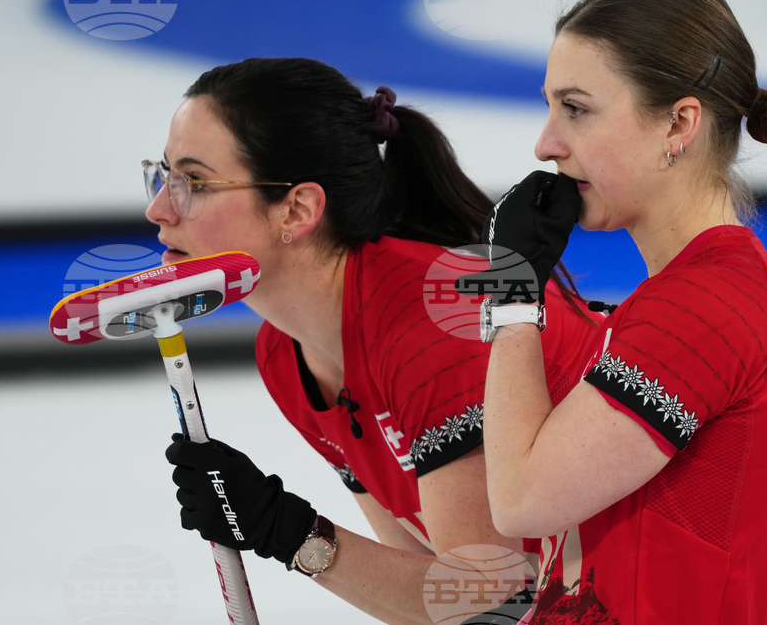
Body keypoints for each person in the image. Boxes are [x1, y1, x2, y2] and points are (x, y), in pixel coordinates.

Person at [147, 57, 600, 623]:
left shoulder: (434, 320)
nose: (158, 209)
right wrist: (286, 530)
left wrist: (287, 531)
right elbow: (431, 590)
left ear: (298, 208)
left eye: (192, 182)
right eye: (161, 176)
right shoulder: (285, 352)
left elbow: (492, 601)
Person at [460, 0, 767, 624]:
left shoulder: (703, 308)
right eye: (550, 107)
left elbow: (522, 499)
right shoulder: (710, 289)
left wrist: (514, 295)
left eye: (576, 108)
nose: (546, 144)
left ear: (678, 123)